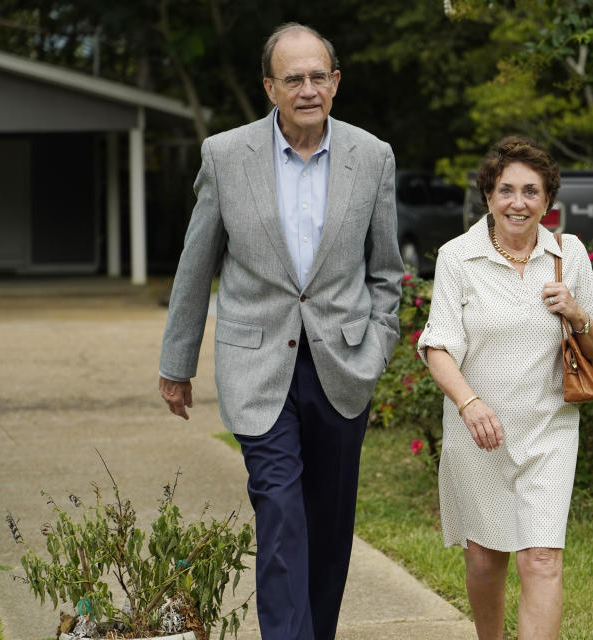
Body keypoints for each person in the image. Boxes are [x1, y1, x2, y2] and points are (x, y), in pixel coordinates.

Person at [157, 22, 403, 640]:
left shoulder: (372, 157)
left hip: (342, 366)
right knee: (280, 512)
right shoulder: (224, 154)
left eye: (319, 76)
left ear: (336, 82)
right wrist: (176, 362)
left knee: (328, 522)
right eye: (293, 78)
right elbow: (196, 264)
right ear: (270, 87)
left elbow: (387, 273)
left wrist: (375, 347)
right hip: (257, 365)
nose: (308, 89)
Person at [417, 136, 593, 640]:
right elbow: (437, 347)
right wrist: (469, 402)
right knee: (485, 561)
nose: (518, 202)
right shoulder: (458, 258)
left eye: (531, 191)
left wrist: (576, 311)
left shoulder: (568, 255)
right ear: (489, 196)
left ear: (548, 201)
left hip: (549, 431)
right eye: (506, 190)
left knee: (541, 558)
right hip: (480, 432)